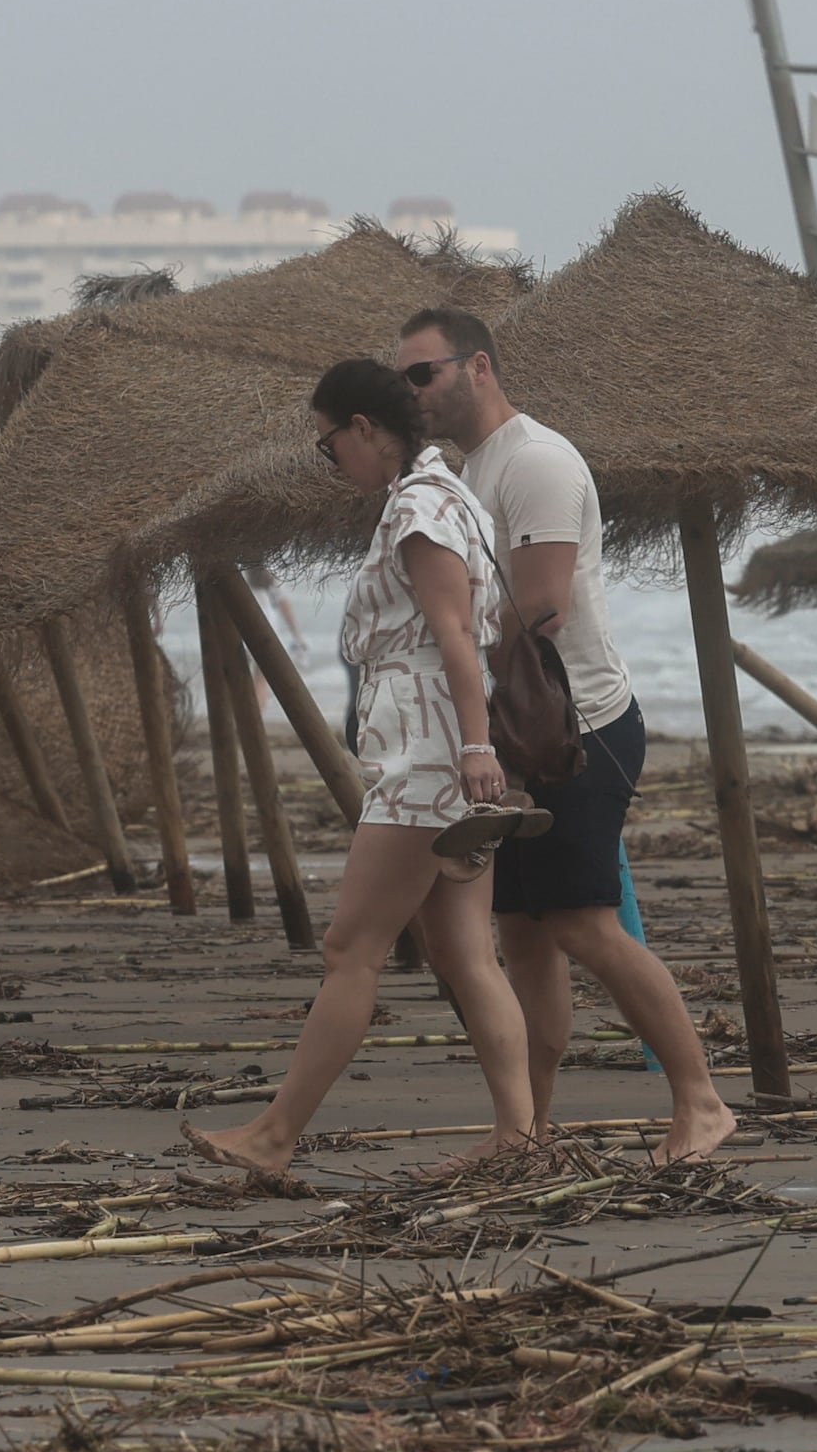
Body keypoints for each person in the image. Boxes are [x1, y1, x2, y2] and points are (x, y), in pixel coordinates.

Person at [188, 358, 548, 1184]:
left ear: (363, 429)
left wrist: (472, 748)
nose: (331, 464)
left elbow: (455, 635)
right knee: (466, 952)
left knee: (352, 947)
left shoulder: (421, 507)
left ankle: (276, 1135)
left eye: (328, 447)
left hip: (428, 758)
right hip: (439, 752)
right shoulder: (447, 492)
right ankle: (520, 1137)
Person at [398, 303, 741, 1163]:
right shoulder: (469, 469)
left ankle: (702, 1102)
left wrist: (464, 677)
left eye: (423, 373)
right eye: (404, 378)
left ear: (478, 367)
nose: (414, 392)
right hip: (518, 738)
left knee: (587, 926)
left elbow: (541, 604)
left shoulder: (538, 461)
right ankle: (528, 1131)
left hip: (575, 727)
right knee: (521, 937)